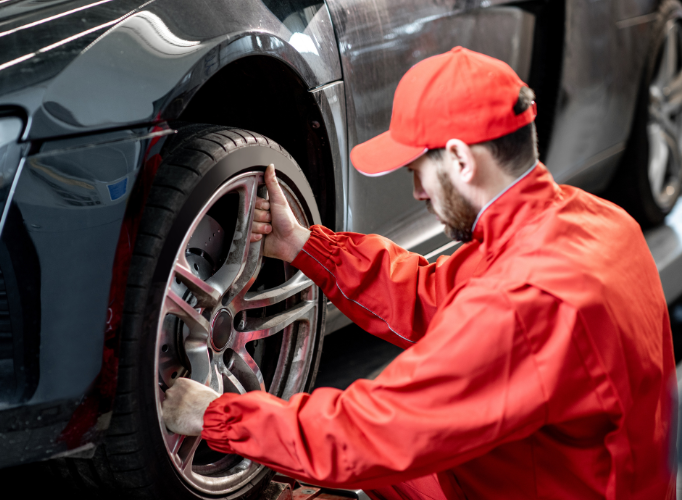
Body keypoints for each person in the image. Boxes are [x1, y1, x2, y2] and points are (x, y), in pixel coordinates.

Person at [162, 47, 677, 499]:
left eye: (417, 172)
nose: (417, 193)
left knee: (331, 463)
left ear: (459, 159)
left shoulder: (525, 301)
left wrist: (220, 417)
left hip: (542, 487)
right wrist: (305, 246)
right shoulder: (595, 223)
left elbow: (371, 434)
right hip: (559, 474)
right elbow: (437, 296)